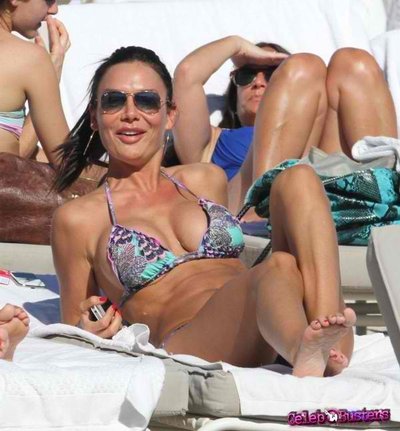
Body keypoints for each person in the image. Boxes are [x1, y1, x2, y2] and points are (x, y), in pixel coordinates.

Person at [51, 45, 356, 377]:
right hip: (190, 337)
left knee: (298, 177)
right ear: (94, 117)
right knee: (276, 267)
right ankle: (304, 349)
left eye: (146, 101)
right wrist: (85, 326)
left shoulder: (204, 179)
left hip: (262, 316)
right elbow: (74, 323)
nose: (130, 113)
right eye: (113, 101)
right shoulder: (80, 218)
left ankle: (326, 337)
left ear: (170, 115)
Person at [173, 36, 398, 212]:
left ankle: (388, 199)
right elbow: (186, 75)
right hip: (252, 206)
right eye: (246, 75)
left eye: (273, 74)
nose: (258, 82)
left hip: (324, 186)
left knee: (355, 63)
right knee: (305, 65)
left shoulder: (319, 125)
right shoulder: (212, 141)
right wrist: (237, 45)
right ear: (234, 94)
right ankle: (267, 203)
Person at [0, 0, 70, 164]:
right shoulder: (29, 58)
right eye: (48, 0)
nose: (54, 10)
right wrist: (52, 76)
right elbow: (66, 163)